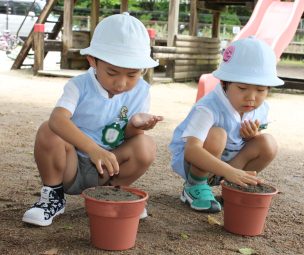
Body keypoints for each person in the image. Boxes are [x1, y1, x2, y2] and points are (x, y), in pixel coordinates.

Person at [22, 13, 163, 226]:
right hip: (71, 165)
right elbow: (57, 120)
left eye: (132, 74)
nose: (121, 83)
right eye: (113, 72)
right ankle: (53, 196)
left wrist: (136, 126)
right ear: (93, 61)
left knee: (146, 145)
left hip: (108, 167)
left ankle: (113, 194)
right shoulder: (79, 86)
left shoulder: (141, 91)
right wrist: (92, 149)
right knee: (49, 130)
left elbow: (129, 139)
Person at [169, 37, 284, 213]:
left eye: (261, 90)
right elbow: (192, 150)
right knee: (217, 134)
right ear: (224, 83)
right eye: (242, 88)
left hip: (230, 168)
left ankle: (233, 188)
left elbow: (255, 144)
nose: (251, 97)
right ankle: (194, 187)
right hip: (196, 164)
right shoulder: (208, 107)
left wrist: (252, 138)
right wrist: (229, 170)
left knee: (267, 143)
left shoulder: (261, 108)